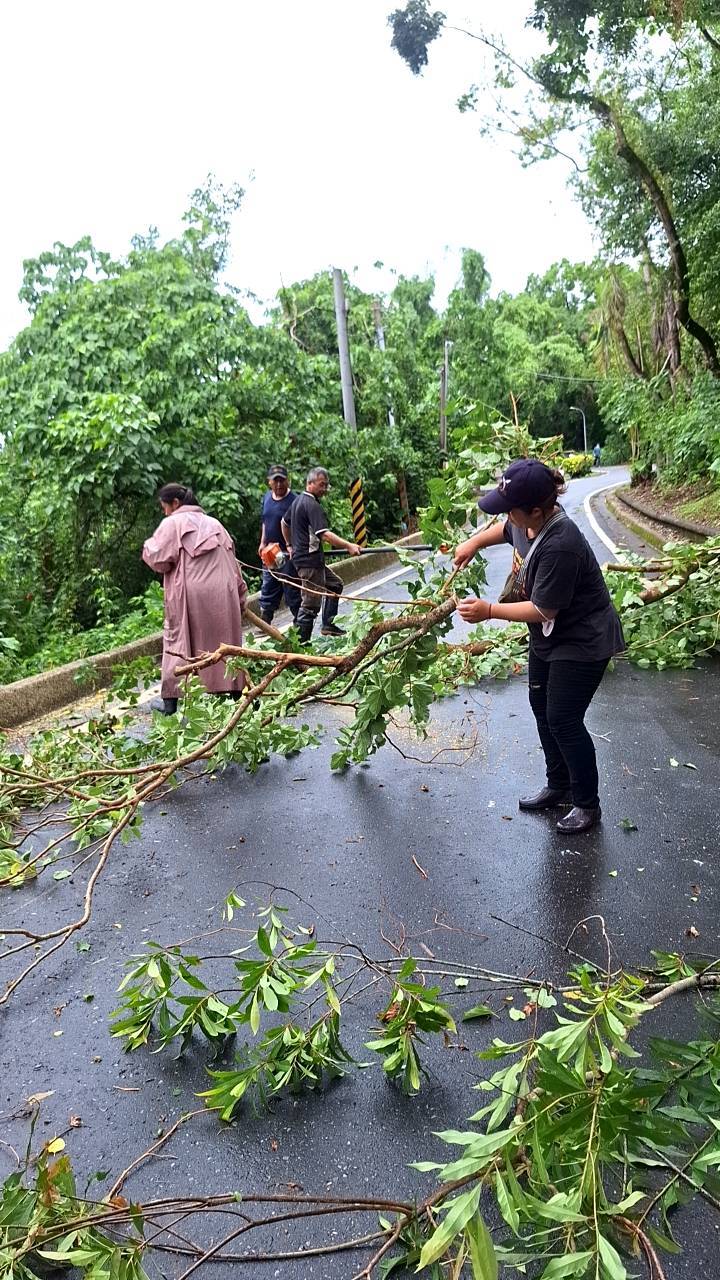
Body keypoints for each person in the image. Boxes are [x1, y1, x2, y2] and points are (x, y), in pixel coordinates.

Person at [453, 458, 624, 834]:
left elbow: (542, 608)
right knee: (539, 704)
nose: (506, 517)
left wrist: (489, 611)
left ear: (534, 510)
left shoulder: (560, 543)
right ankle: (558, 784)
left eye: (510, 510)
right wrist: (472, 543)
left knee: (563, 717)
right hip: (550, 636)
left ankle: (586, 805)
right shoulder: (525, 523)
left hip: (583, 639)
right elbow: (503, 530)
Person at [142, 483, 248, 714]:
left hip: (192, 593)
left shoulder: (173, 523)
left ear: (175, 504)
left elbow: (158, 558)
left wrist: (147, 546)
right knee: (225, 641)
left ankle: (170, 701)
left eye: (165, 507)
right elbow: (233, 562)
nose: (165, 513)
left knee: (179, 641)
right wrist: (240, 593)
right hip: (225, 589)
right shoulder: (216, 523)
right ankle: (233, 694)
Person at [281, 466, 361, 642]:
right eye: (321, 485)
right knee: (310, 604)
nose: (324, 489)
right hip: (309, 562)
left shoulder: (297, 501)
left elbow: (284, 523)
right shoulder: (310, 504)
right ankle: (300, 646)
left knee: (335, 585)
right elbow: (324, 534)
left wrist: (290, 545)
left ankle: (328, 624)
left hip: (310, 559)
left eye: (326, 485)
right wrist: (348, 546)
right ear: (310, 483)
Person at [258, 465, 301, 624]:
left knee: (292, 589)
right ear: (269, 482)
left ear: (287, 480)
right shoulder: (267, 498)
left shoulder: (295, 501)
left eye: (282, 481)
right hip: (270, 552)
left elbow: (300, 527)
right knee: (268, 587)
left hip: (288, 553)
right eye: (275, 481)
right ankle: (265, 623)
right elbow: (265, 521)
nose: (279, 485)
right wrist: (262, 542)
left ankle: (300, 624)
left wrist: (294, 547)